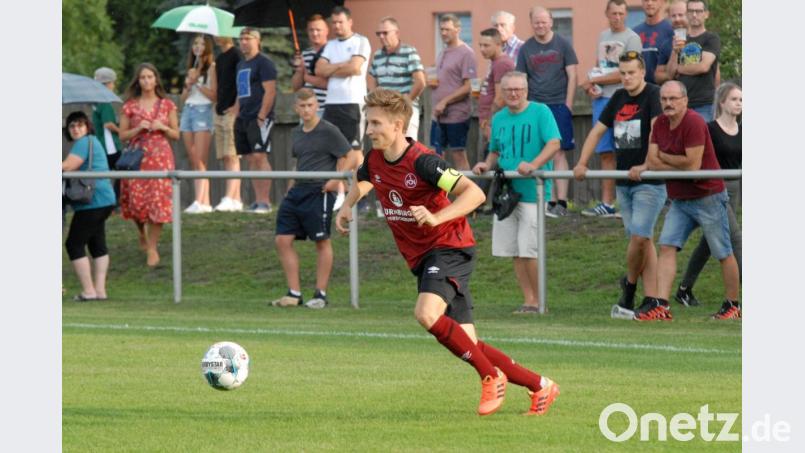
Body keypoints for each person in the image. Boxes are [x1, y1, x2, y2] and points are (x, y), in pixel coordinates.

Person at [335, 88, 560, 416]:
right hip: (423, 256)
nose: (368, 131)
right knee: (469, 343)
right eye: (367, 124)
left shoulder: (424, 162)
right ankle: (540, 385)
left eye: (375, 124)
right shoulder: (374, 159)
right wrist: (346, 206)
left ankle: (489, 377)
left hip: (449, 247)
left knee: (426, 314)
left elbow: (474, 194)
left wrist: (436, 216)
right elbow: (365, 178)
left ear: (398, 126)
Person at [573, 51, 665, 320]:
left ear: (642, 72)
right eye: (622, 73)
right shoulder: (617, 97)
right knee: (642, 241)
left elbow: (657, 132)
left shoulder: (653, 94)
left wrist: (646, 165)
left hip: (649, 181)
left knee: (640, 237)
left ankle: (630, 287)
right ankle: (653, 300)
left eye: (631, 73)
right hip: (624, 182)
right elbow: (597, 132)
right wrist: (581, 162)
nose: (626, 78)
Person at [645, 80, 740, 321]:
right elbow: (652, 162)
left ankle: (732, 305)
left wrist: (663, 157)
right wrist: (670, 160)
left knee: (723, 252)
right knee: (666, 246)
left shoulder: (695, 122)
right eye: (664, 99)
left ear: (685, 100)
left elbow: (693, 164)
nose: (668, 103)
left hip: (708, 195)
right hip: (679, 198)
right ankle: (662, 306)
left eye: (673, 99)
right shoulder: (659, 124)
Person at [472, 72, 560, 314]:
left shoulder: (541, 112)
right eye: (509, 89)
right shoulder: (499, 118)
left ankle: (540, 302)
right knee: (514, 250)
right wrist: (485, 165)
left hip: (534, 191)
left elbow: (554, 143)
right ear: (503, 92)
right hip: (508, 194)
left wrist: (533, 164)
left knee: (529, 249)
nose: (513, 93)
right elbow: (495, 151)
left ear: (526, 90)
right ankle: (528, 300)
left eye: (518, 89)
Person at [271, 90, 354, 309]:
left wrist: (334, 180)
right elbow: (299, 163)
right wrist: (290, 188)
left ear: (316, 105)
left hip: (320, 192)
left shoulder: (328, 130)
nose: (306, 110)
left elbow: (352, 156)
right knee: (282, 239)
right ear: (296, 108)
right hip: (298, 191)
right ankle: (293, 293)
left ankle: (320, 294)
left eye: (310, 105)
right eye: (302, 106)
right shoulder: (297, 132)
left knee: (321, 240)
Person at [676, 82, 742, 307]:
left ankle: (684, 289)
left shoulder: (744, 130)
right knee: (735, 239)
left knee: (708, 242)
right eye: (734, 99)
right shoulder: (710, 129)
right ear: (722, 102)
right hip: (716, 190)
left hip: (736, 189)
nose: (739, 103)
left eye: (741, 100)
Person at [580, 0, 643, 218]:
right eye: (614, 13)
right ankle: (607, 203)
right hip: (602, 99)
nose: (617, 17)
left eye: (621, 13)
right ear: (606, 13)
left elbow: (629, 72)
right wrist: (591, 84)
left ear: (626, 15)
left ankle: (629, 202)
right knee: (606, 152)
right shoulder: (603, 36)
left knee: (627, 149)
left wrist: (598, 78)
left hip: (624, 99)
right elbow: (601, 66)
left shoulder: (632, 38)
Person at [516, 6, 577, 218]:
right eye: (536, 22)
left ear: (551, 22)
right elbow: (521, 78)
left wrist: (568, 105)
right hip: (535, 106)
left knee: (559, 151)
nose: (540, 25)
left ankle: (561, 201)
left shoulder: (563, 44)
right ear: (531, 23)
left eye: (544, 21)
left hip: (559, 103)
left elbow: (573, 74)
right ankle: (547, 200)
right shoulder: (526, 48)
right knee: (540, 151)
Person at [118, 63, 180, 268]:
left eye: (150, 77)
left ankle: (152, 248)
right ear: (138, 80)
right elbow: (122, 135)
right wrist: (137, 129)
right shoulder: (129, 106)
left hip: (161, 157)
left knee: (158, 202)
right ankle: (141, 232)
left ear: (156, 79)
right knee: (136, 202)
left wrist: (162, 127)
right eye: (143, 77)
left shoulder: (167, 105)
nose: (146, 81)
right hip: (137, 158)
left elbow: (176, 134)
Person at [62, 111, 116, 301]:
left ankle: (89, 291)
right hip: (104, 199)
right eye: (72, 126)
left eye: (79, 125)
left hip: (93, 201)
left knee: (74, 244)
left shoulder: (85, 142)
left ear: (87, 127)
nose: (76, 129)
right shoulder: (92, 141)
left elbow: (67, 166)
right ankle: (100, 291)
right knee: (97, 244)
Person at [315, 6, 371, 169]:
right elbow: (319, 70)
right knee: (332, 149)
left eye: (340, 22)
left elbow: (354, 68)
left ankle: (360, 191)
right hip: (331, 103)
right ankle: (341, 191)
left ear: (350, 22)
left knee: (354, 150)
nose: (337, 26)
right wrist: (343, 65)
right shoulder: (330, 45)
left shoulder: (360, 41)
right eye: (334, 22)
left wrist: (331, 68)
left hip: (353, 102)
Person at [234, 27, 278, 214]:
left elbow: (270, 91)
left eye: (248, 38)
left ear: (257, 41)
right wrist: (236, 113)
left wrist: (262, 115)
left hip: (259, 117)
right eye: (241, 38)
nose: (244, 42)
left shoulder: (264, 63)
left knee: (260, 157)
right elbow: (240, 91)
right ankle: (257, 201)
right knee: (250, 158)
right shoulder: (241, 64)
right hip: (243, 118)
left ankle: (265, 202)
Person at [656, 0, 720, 121]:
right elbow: (670, 74)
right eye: (691, 11)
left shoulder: (711, 38)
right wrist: (675, 51)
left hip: (704, 104)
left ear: (706, 14)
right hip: (679, 104)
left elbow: (703, 67)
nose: (694, 14)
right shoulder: (679, 38)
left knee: (701, 139)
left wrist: (679, 68)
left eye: (698, 11)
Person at [429, 13, 477, 170]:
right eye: (441, 29)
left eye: (447, 29)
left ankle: (470, 193)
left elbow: (468, 86)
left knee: (458, 155)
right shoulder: (442, 52)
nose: (443, 33)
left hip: (456, 114)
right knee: (436, 155)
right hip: (438, 115)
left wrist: (445, 101)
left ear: (458, 29)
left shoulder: (466, 53)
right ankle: (442, 193)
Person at [475, 28, 515, 211]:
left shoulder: (502, 63)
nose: (482, 49)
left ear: (499, 44)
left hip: (495, 123)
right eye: (480, 45)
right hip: (489, 121)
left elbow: (500, 97)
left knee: (489, 162)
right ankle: (484, 203)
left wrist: (490, 122)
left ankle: (478, 203)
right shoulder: (495, 62)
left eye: (486, 45)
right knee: (488, 161)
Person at [367, 16, 426, 140]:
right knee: (386, 150)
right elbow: (374, 81)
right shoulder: (377, 55)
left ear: (397, 33)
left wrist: (405, 102)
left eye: (385, 33)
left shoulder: (409, 51)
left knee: (407, 149)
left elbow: (420, 82)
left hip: (404, 111)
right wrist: (375, 100)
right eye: (379, 33)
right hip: (384, 111)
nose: (381, 36)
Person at [180, 34, 217, 214]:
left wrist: (198, 84)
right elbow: (182, 98)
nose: (198, 46)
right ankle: (201, 201)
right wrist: (188, 84)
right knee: (192, 156)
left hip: (203, 110)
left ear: (208, 47)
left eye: (202, 44)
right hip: (188, 110)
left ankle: (202, 201)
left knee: (200, 158)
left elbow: (214, 95)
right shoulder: (190, 69)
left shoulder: (211, 68)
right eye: (195, 43)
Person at [212, 36, 244, 212]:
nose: (216, 37)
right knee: (225, 156)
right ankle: (236, 199)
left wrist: (237, 105)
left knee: (232, 155)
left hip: (232, 110)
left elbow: (242, 82)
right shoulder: (220, 58)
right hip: (220, 110)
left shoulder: (237, 55)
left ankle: (229, 196)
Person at [92, 67, 123, 201]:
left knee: (103, 175)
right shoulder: (105, 102)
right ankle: (116, 201)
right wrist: (123, 132)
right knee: (124, 173)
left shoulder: (96, 102)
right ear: (107, 84)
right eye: (112, 83)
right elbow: (108, 124)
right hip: (110, 146)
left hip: (101, 144)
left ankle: (111, 201)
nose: (113, 86)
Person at [291, 14, 330, 116]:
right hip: (306, 110)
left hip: (326, 108)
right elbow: (296, 87)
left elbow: (329, 84)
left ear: (326, 31)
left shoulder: (333, 52)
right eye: (311, 30)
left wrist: (307, 77)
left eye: (318, 30)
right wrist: (299, 70)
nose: (315, 33)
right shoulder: (305, 54)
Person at [633, 0, 673, 84]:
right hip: (639, 91)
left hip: (663, 91)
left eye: (654, 0)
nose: (649, 3)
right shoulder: (634, 33)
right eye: (646, 0)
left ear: (662, 2)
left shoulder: (671, 31)